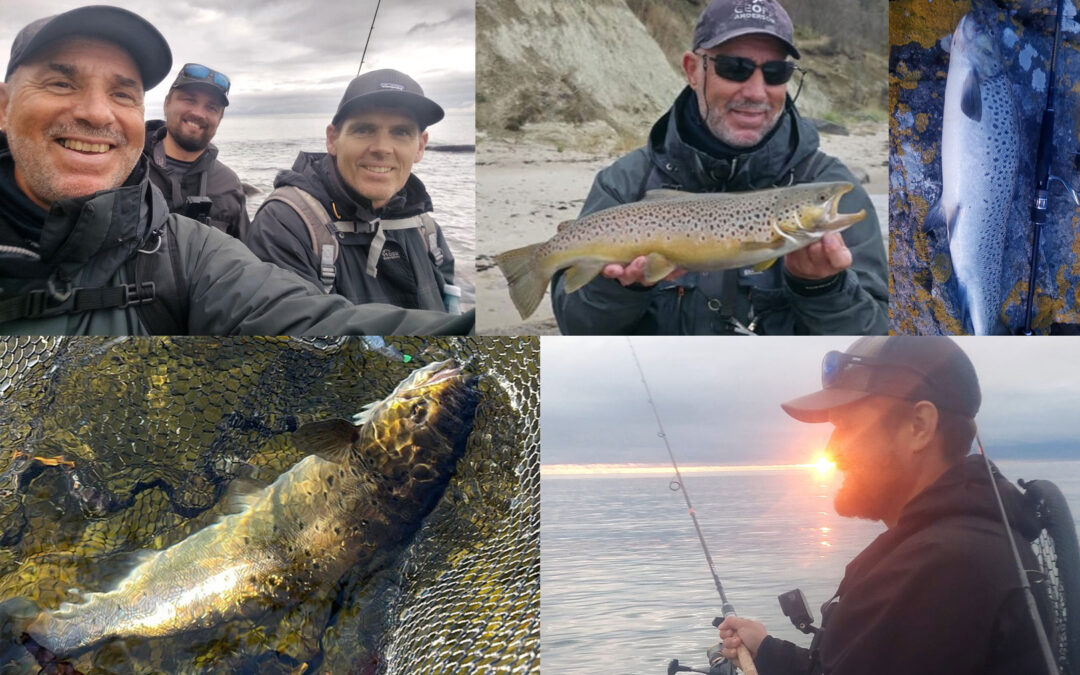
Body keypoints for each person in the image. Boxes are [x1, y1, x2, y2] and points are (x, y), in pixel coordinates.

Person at [0, 6, 471, 335]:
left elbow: (283, 309)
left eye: (122, 93)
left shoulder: (196, 239)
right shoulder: (290, 216)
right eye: (61, 82)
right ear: (4, 108)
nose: (98, 114)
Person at [717, 337, 1054, 675]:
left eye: (847, 426)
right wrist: (767, 651)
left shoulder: (937, 571)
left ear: (919, 426)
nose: (831, 451)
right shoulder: (965, 543)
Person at [550, 0, 887, 335]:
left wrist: (822, 289)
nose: (756, 92)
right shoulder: (624, 184)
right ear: (692, 71)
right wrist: (623, 288)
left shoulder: (831, 183)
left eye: (775, 73)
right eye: (734, 68)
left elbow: (879, 344)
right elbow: (578, 328)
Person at [244, 69, 459, 313]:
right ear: (333, 139)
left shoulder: (426, 229)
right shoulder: (284, 223)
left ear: (420, 146)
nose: (382, 148)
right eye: (364, 130)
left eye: (401, 132)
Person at [145, 63, 249, 239]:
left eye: (211, 107)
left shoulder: (229, 184)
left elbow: (246, 258)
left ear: (220, 118)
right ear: (166, 103)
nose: (199, 113)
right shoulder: (128, 166)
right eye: (190, 100)